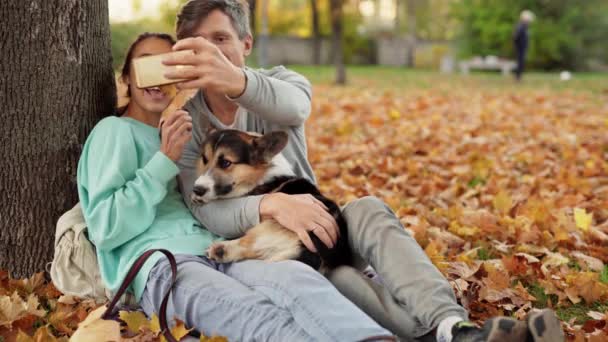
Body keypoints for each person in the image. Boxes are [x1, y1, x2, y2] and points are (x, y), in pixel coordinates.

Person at [167, 1, 564, 341]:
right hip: (271, 252)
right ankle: (459, 336)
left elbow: (295, 109)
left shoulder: (281, 83)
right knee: (343, 283)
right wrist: (271, 206)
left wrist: (233, 80)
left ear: (246, 45)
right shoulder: (187, 122)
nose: (211, 53)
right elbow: (204, 207)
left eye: (220, 40)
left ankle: (450, 323)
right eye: (197, 44)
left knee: (370, 209)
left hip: (327, 223)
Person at [77, 32, 396, 341]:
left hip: (224, 248)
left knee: (298, 280)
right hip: (165, 263)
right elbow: (106, 228)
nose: (158, 77)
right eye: (147, 65)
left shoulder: (185, 135)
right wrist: (163, 161)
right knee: (257, 317)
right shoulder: (114, 131)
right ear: (128, 77)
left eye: (169, 67)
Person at [513, 10, 534, 81]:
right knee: (520, 62)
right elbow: (515, 37)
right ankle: (518, 77)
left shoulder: (525, 26)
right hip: (520, 48)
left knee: (521, 62)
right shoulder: (521, 26)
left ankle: (519, 76)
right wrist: (518, 45)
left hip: (523, 48)